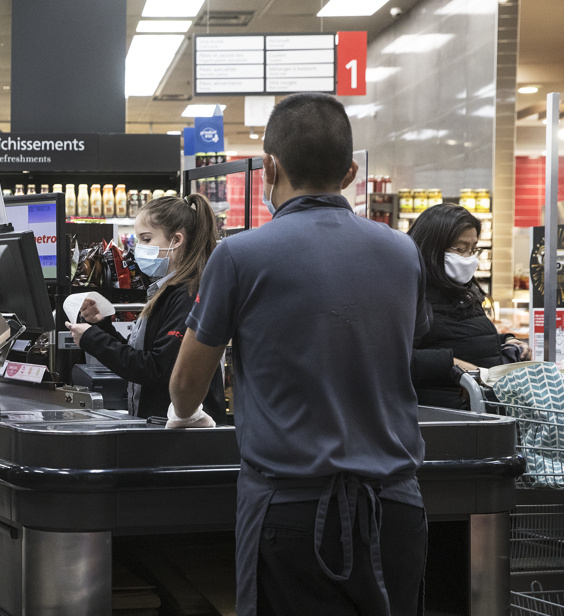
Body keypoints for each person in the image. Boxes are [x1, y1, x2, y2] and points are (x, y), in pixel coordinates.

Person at [169, 93, 429, 615]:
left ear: (269, 167)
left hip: (291, 513)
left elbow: (184, 387)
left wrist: (187, 414)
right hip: (397, 510)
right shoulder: (403, 252)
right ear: (351, 171)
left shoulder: (239, 256)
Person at [65, 193, 225, 424]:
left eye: (147, 239)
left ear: (176, 240)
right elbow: (142, 356)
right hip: (161, 427)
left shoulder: (188, 295)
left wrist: (93, 340)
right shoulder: (167, 290)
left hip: (180, 436)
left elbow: (156, 369)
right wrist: (102, 327)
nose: (139, 248)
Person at [409, 203, 531, 409]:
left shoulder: (462, 293)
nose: (468, 258)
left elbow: (465, 337)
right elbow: (395, 357)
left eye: (473, 249)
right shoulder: (410, 295)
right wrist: (451, 364)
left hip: (477, 410)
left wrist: (508, 341)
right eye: (460, 249)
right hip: (444, 417)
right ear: (432, 248)